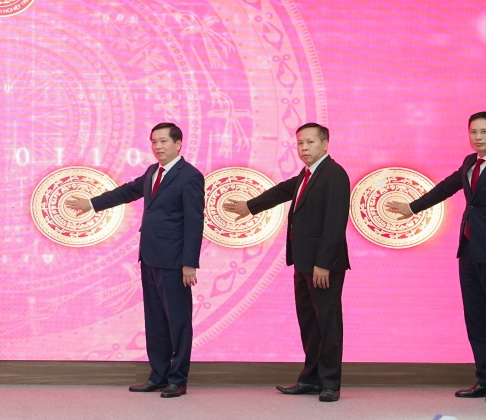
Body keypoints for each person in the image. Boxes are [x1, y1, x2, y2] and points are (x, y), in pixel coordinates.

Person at [386, 111, 486, 403]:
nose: (478, 137)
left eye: (485, 132)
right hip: (469, 252)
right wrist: (412, 207)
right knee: (476, 320)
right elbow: (446, 187)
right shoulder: (469, 162)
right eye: (473, 132)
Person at [65, 123, 204, 398]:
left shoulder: (190, 176)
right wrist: (91, 203)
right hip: (150, 257)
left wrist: (190, 263)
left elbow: (194, 221)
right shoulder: (153, 171)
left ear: (178, 144)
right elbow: (127, 191)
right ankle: (159, 375)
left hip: (175, 262)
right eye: (154, 142)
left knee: (178, 322)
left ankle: (178, 379)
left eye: (163, 141)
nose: (158, 146)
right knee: (155, 320)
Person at [223, 123, 350, 402]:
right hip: (303, 263)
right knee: (310, 324)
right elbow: (282, 191)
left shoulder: (334, 174)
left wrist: (323, 263)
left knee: (328, 324)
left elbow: (335, 222)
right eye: (300, 143)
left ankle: (330, 384)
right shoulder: (307, 174)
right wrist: (250, 206)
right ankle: (311, 380)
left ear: (325, 144)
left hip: (322, 266)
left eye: (310, 142)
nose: (304, 148)